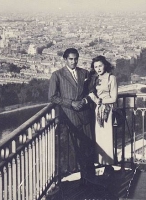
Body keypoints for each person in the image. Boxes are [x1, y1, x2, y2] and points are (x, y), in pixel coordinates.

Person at [48, 48, 97, 186]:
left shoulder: (84, 73)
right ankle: (81, 180)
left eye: (76, 59)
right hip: (70, 117)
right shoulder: (57, 75)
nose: (74, 61)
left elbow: (91, 91)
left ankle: (88, 180)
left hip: (85, 115)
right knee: (76, 150)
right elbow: (52, 97)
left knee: (88, 148)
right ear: (65, 59)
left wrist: (86, 101)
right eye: (71, 59)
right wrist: (71, 103)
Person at [88, 55, 118, 166]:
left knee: (106, 137)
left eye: (100, 66)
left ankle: (108, 163)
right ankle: (100, 163)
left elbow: (114, 98)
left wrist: (99, 100)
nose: (98, 69)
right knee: (98, 137)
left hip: (107, 111)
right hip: (97, 110)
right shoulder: (94, 78)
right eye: (96, 67)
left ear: (105, 65)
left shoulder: (111, 78)